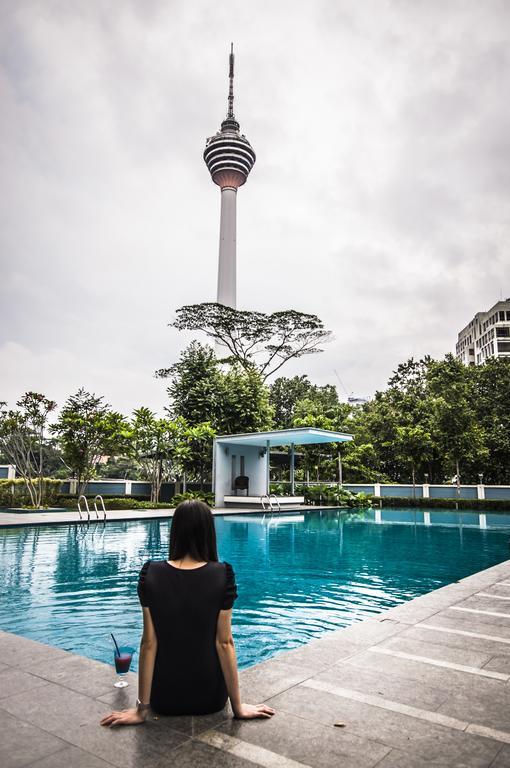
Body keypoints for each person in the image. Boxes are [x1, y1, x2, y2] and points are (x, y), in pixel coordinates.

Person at [100, 500, 275, 726]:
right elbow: (225, 643)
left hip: (164, 699)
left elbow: (149, 643)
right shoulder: (223, 575)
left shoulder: (150, 573)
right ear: (208, 532)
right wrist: (238, 707)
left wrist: (141, 710)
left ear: (175, 532)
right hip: (210, 699)